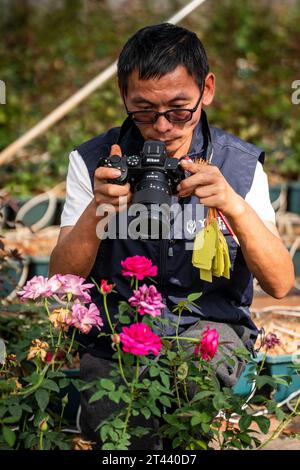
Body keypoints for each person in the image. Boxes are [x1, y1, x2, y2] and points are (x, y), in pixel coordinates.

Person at [49, 23, 295, 449]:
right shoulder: (92, 161)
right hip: (117, 334)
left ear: (208, 90)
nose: (162, 127)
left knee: (186, 407)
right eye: (143, 110)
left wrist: (233, 205)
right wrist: (99, 209)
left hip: (209, 330)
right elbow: (60, 284)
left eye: (180, 109)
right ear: (123, 95)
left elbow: (280, 283)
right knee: (119, 427)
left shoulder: (237, 165)